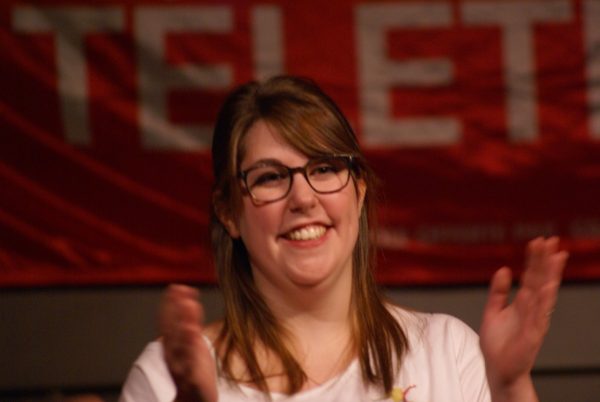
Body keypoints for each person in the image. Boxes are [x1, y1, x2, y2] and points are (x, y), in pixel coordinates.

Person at [119, 75, 568, 402]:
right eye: (270, 177)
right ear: (228, 212)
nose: (303, 198)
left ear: (359, 188)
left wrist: (510, 387)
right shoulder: (165, 377)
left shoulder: (447, 351)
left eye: (324, 168)